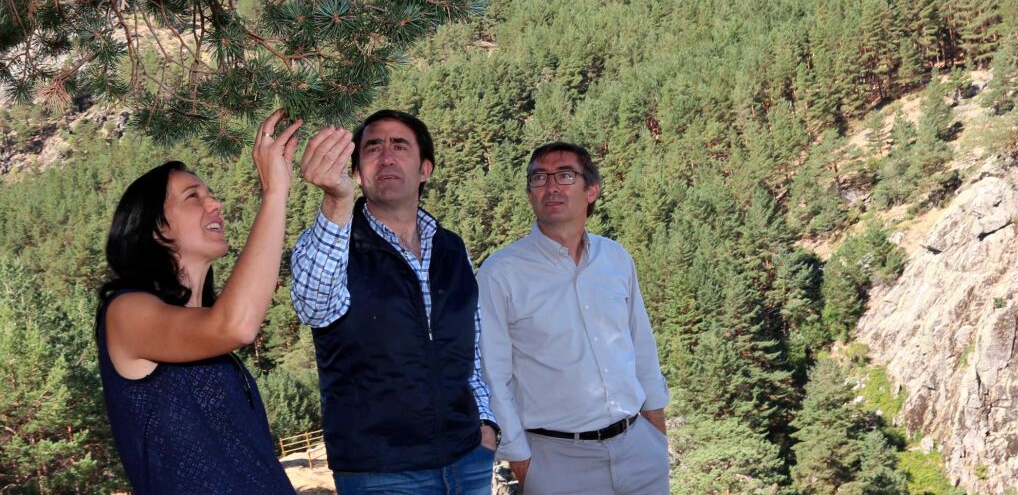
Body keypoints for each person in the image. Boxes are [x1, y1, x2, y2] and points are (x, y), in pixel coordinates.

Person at [290, 110, 497, 494]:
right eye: (372, 148)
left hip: (468, 458)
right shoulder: (330, 243)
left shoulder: (452, 248)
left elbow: (471, 347)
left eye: (399, 146)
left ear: (424, 169)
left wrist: (486, 423)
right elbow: (313, 307)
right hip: (380, 472)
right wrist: (336, 202)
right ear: (356, 173)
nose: (386, 156)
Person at [96, 110, 301, 494]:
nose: (216, 204)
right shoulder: (125, 312)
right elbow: (236, 325)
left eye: (211, 195)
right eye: (194, 197)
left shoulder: (207, 333)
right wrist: (274, 193)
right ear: (156, 228)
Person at [478, 142, 671, 495]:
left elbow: (641, 347)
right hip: (557, 463)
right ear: (530, 194)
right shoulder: (501, 273)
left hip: (640, 451)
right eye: (539, 178)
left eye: (565, 176)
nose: (551, 186)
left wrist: (656, 434)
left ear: (591, 190)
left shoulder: (615, 258)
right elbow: (493, 375)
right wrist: (523, 463)